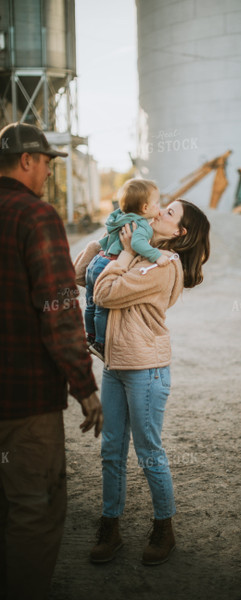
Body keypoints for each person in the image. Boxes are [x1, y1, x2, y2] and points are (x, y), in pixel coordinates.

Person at [74, 198, 210, 566]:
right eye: (162, 206)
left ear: (180, 232)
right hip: (114, 365)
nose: (159, 212)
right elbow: (81, 277)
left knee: (148, 450)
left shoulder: (165, 264)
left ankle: (164, 527)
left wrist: (122, 257)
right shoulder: (137, 249)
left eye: (169, 213)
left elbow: (104, 293)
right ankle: (110, 527)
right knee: (111, 451)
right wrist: (101, 245)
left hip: (146, 368)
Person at [0, 122, 103, 600]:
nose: (47, 171)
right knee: (33, 508)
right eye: (46, 162)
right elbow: (60, 308)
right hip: (24, 401)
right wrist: (84, 386)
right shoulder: (35, 216)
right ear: (26, 160)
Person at [85, 178, 170, 361]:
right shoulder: (142, 225)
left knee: (90, 304)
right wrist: (156, 255)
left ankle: (90, 336)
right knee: (102, 307)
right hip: (108, 266)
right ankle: (100, 343)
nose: (159, 207)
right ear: (146, 208)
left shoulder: (118, 216)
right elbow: (137, 243)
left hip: (96, 262)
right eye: (157, 203)